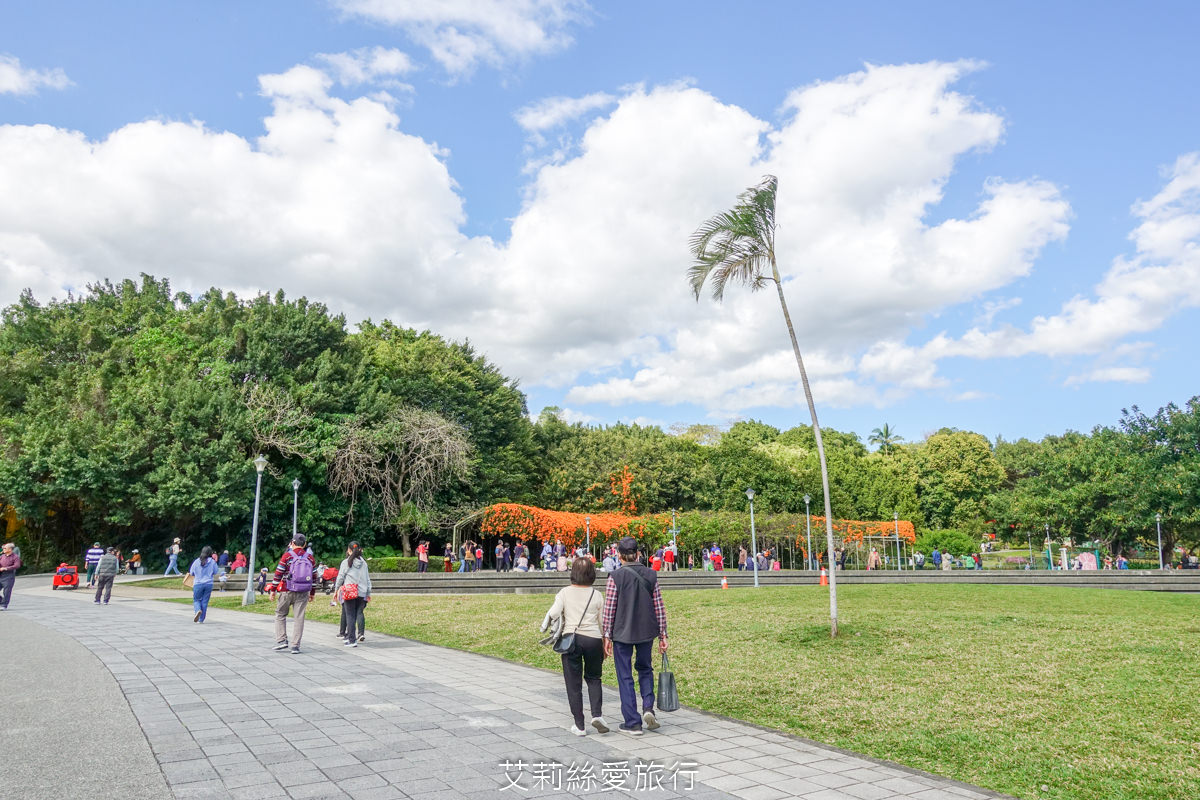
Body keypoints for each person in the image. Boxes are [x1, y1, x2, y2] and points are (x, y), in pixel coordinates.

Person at [601, 536, 668, 737]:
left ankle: (632, 722)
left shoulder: (615, 576)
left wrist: (606, 635)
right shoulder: (651, 574)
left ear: (619, 556)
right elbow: (659, 607)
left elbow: (609, 609)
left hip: (622, 633)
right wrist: (663, 634)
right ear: (638, 554)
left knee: (625, 675)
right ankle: (648, 707)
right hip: (647, 631)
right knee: (646, 669)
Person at [543, 557, 609, 736]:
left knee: (573, 684)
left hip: (571, 639)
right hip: (594, 639)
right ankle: (597, 714)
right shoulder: (596, 594)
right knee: (594, 678)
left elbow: (554, 612)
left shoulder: (564, 592)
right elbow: (602, 622)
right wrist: (605, 640)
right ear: (592, 574)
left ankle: (579, 725)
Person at [272, 533, 317, 654]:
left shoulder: (287, 556)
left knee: (280, 614)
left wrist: (273, 590)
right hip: (303, 591)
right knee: (299, 618)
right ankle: (295, 646)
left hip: (287, 590)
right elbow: (314, 577)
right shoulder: (310, 558)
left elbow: (278, 574)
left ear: (292, 543)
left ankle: (282, 640)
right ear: (305, 544)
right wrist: (312, 592)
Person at [335, 541, 372, 647]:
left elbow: (340, 577)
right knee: (355, 615)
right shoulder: (364, 563)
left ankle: (351, 639)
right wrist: (368, 592)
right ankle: (351, 637)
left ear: (349, 550)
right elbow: (367, 579)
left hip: (350, 592)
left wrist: (336, 589)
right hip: (362, 592)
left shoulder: (346, 562)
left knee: (350, 615)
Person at [187, 546, 220, 622]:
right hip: (208, 584)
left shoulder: (196, 561)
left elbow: (191, 572)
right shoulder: (212, 562)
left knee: (196, 600)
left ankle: (198, 610)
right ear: (210, 553)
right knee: (205, 601)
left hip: (198, 583)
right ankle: (201, 619)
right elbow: (215, 572)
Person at [0, 542, 22, 609]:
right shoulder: (2, 556)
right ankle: (1, 601)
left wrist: (6, 568)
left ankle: (4, 605)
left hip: (9, 576)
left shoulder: (15, 557)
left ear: (10, 549)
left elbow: (17, 565)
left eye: (5, 548)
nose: (3, 549)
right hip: (1, 575)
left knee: (6, 592)